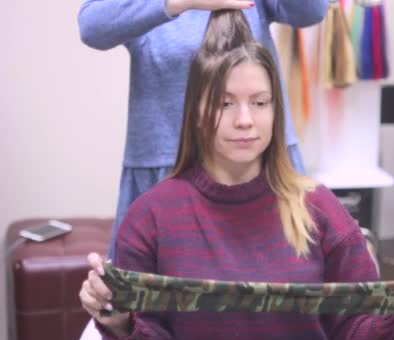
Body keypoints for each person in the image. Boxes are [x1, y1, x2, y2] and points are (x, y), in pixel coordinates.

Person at [79, 9, 394, 340]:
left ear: (276, 109)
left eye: (260, 103)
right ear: (196, 111)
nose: (245, 120)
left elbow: (357, 327)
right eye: (224, 103)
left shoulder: (318, 208)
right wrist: (120, 323)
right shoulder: (151, 218)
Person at [78, 0, 329, 259]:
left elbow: (310, 10)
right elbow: (93, 26)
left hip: (261, 162)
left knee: (288, 283)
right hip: (169, 161)